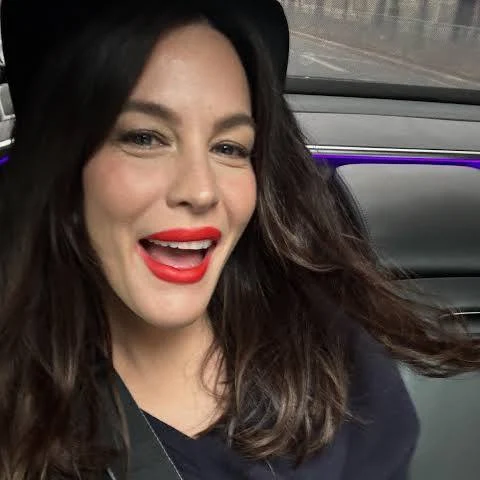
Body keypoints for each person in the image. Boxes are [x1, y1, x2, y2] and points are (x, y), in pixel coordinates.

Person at [0, 0, 478, 479]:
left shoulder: (339, 360)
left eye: (229, 148)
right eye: (145, 137)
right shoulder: (15, 398)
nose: (201, 191)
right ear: (63, 166)